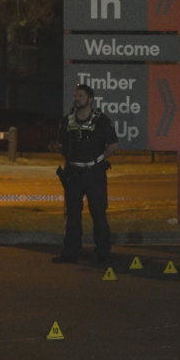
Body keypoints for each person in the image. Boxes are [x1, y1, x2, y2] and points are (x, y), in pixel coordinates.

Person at [53, 84, 119, 264]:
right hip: (73, 172)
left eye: (80, 96)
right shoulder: (67, 121)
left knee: (98, 212)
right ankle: (70, 252)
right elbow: (61, 145)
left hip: (94, 173)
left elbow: (113, 146)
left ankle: (102, 252)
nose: (77, 98)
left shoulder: (102, 121)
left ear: (90, 99)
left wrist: (99, 159)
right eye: (75, 95)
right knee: (73, 214)